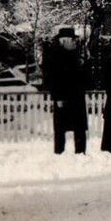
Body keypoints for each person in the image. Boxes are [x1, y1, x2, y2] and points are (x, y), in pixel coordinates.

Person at [43, 27, 88, 155]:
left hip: (77, 97)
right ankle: (59, 153)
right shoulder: (55, 55)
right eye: (72, 39)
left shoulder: (76, 54)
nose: (74, 42)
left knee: (79, 128)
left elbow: (81, 76)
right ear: (65, 41)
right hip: (63, 98)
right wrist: (57, 97)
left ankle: (80, 153)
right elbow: (52, 79)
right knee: (60, 129)